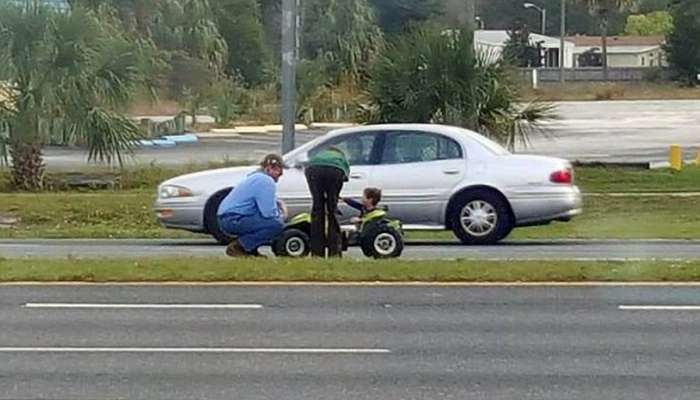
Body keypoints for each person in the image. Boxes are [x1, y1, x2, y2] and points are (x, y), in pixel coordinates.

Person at [217, 154, 287, 257]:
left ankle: (250, 251)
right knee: (275, 224)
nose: (281, 174)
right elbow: (268, 213)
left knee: (262, 220)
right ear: (269, 168)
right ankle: (239, 247)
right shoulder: (266, 181)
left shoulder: (255, 177)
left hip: (227, 217)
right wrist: (283, 214)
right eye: (278, 170)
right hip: (233, 219)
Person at [305, 146, 350, 258]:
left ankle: (316, 252)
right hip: (335, 170)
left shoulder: (319, 155)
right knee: (332, 212)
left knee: (317, 210)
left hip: (312, 170)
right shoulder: (341, 158)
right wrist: (333, 198)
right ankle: (334, 252)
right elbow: (344, 177)